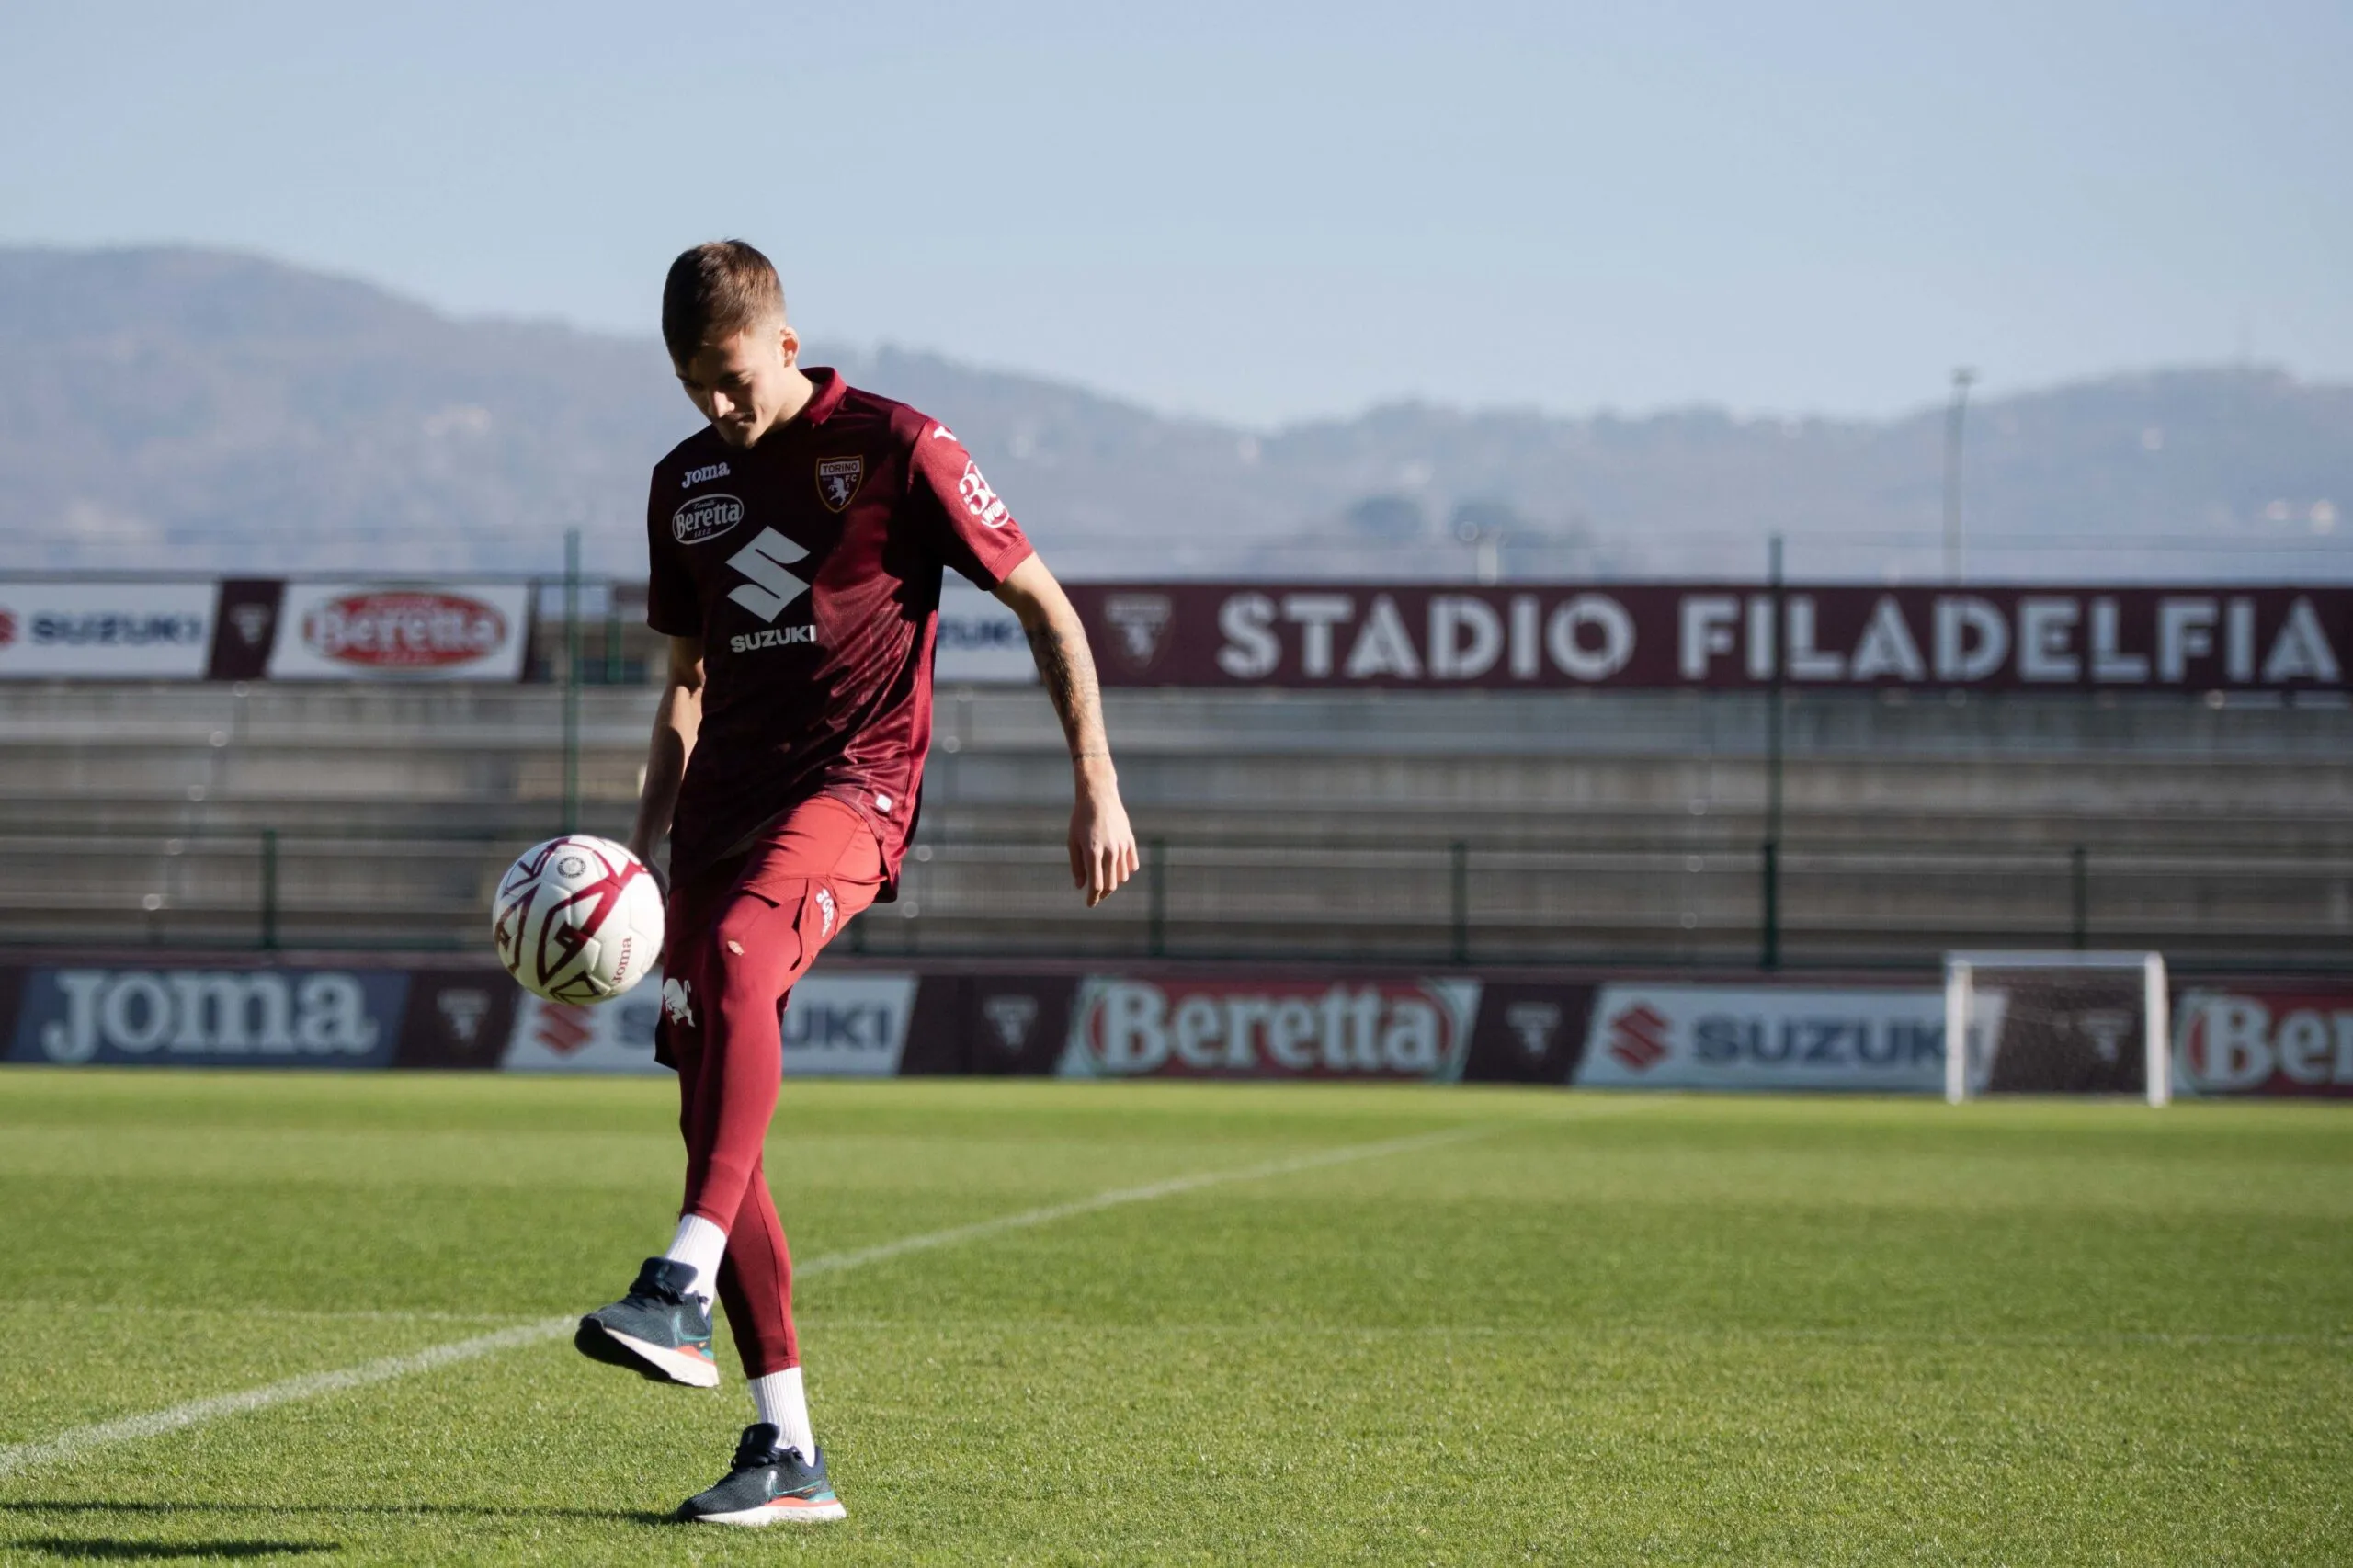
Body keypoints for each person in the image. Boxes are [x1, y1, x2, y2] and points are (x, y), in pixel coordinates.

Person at [572, 239, 1138, 1528]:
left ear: (784, 341)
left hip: (850, 793)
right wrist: (636, 851)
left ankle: (677, 1281)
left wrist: (1097, 781)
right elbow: (687, 681)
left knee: (738, 972)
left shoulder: (899, 446)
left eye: (729, 378)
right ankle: (788, 1455)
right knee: (710, 1095)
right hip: (717, 818)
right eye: (691, 385)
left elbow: (1048, 607)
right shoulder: (683, 485)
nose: (716, 407)